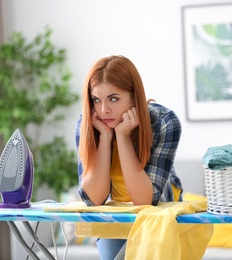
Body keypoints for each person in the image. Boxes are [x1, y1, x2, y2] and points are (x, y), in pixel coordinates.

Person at [75, 55, 183, 260]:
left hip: (157, 214)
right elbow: (93, 199)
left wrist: (123, 136)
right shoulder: (89, 124)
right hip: (114, 217)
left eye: (113, 99)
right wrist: (106, 137)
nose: (104, 109)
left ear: (135, 97)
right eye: (96, 100)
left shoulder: (165, 123)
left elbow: (144, 201)